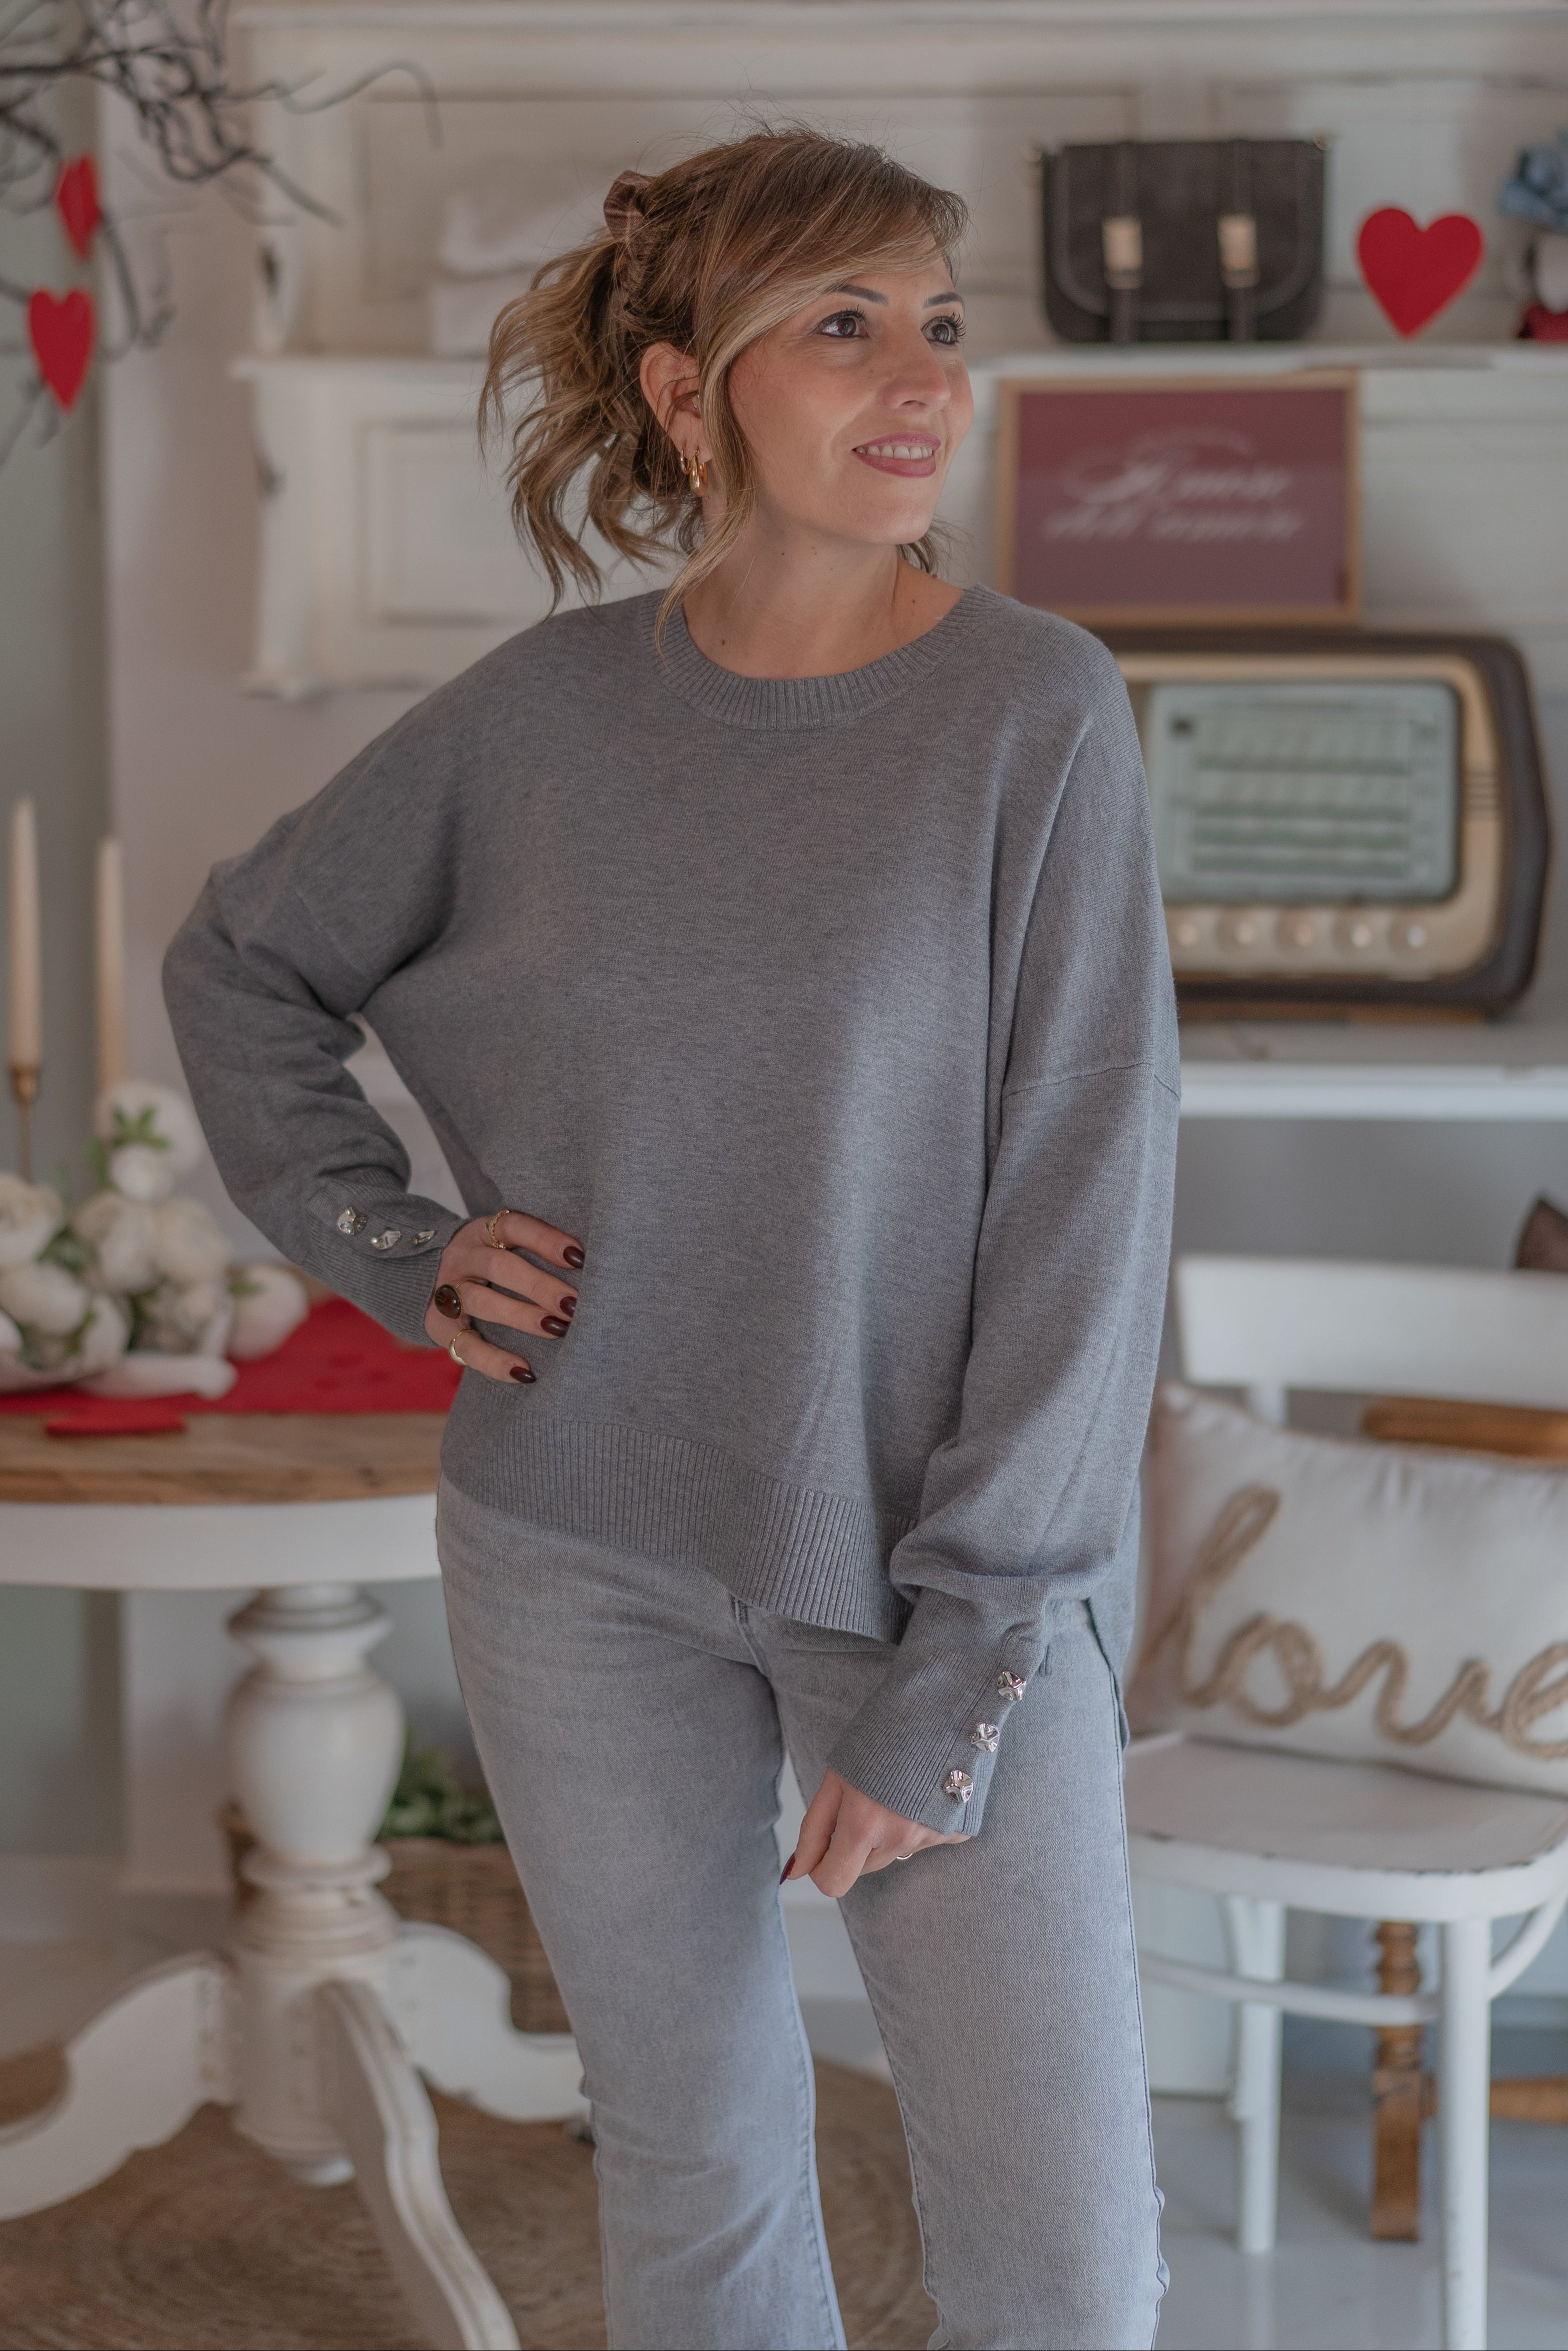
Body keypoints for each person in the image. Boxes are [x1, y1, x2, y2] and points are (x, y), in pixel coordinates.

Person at [165, 128, 1178, 2351]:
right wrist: (396, 1242)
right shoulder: (539, 718)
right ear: (684, 391)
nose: (919, 378)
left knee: (1064, 2256)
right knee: (695, 2159)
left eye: (939, 325)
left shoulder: (1032, 713)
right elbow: (243, 963)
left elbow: (1088, 1212)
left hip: (935, 1575)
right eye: (843, 325)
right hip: (576, 1549)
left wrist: (966, 1650)